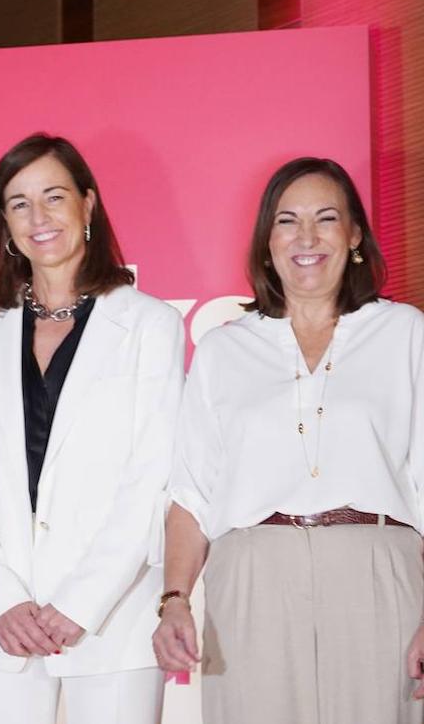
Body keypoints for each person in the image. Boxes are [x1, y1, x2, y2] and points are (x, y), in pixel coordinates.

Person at [153, 157, 424, 723]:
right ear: (266, 242)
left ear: (354, 235)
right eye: (286, 221)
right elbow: (192, 493)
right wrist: (174, 599)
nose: (306, 237)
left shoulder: (405, 333)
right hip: (253, 577)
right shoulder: (225, 349)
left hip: (376, 572)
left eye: (326, 219)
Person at [0, 133, 184, 724]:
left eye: (54, 197)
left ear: (88, 206)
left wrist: (80, 602)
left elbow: (153, 475)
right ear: (4, 222)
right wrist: (0, 599)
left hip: (113, 618)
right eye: (19, 203)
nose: (38, 217)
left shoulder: (152, 324)